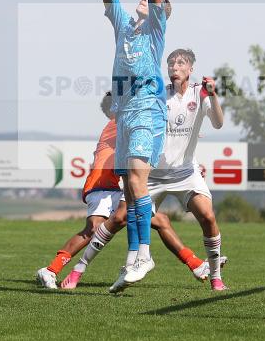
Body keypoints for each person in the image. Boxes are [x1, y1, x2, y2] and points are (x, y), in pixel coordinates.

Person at [35, 92, 211, 290]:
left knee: (160, 221)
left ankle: (196, 265)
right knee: (93, 228)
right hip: (103, 184)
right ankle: (51, 270)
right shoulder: (117, 123)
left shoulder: (125, 121)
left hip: (120, 187)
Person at [99, 0, 170, 290]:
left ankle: (145, 254)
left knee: (139, 182)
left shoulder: (155, 30)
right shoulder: (124, 24)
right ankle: (131, 259)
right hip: (124, 115)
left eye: (152, 1)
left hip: (147, 111)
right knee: (129, 188)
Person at [149, 48, 228, 290]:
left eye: (180, 63)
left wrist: (213, 95)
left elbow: (218, 123)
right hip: (153, 175)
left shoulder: (200, 93)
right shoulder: (158, 94)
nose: (174, 67)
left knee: (208, 217)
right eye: (171, 63)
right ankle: (133, 262)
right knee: (122, 217)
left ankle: (216, 277)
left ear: (190, 69)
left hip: (185, 173)